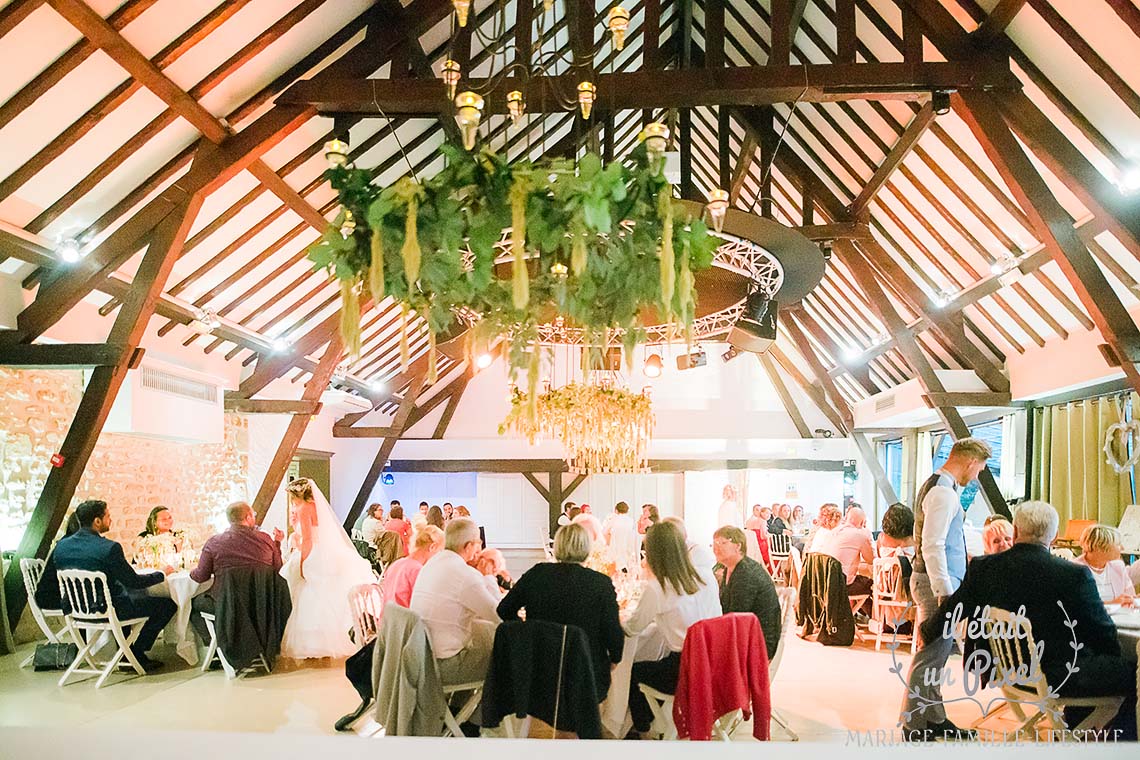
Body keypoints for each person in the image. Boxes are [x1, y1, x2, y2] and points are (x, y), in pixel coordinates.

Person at [920, 501, 1137, 740]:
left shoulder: (984, 568)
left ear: (1015, 532)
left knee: (1097, 665)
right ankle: (1119, 744)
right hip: (1061, 675)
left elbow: (954, 608)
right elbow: (1102, 632)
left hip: (1008, 671)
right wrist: (1114, 658)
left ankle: (1075, 730)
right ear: (1053, 537)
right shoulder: (1073, 575)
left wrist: (927, 630)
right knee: (1134, 673)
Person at [900, 437, 992, 741]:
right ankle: (913, 725)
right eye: (979, 469)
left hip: (938, 580)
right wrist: (945, 591)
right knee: (931, 655)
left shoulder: (940, 486)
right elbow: (933, 544)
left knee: (936, 658)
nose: (977, 475)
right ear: (970, 462)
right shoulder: (943, 493)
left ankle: (934, 718)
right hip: (937, 584)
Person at [498, 523, 624, 694]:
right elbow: (613, 631)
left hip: (540, 670)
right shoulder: (600, 583)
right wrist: (615, 658)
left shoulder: (537, 573)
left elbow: (504, 610)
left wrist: (527, 630)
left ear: (557, 546)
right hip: (586, 674)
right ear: (587, 548)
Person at [51, 499, 176, 671]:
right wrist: (161, 573)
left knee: (128, 597)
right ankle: (136, 652)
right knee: (166, 604)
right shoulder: (108, 548)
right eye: (108, 516)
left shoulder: (61, 547)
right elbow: (133, 582)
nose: (110, 520)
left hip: (76, 609)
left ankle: (126, 651)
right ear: (97, 521)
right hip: (107, 609)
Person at [624, 521, 721, 740]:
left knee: (634, 672)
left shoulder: (657, 587)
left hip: (687, 670)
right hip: (718, 663)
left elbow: (632, 628)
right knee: (658, 660)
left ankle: (643, 731)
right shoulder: (706, 576)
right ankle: (657, 719)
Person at [279, 478, 376, 659]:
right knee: (329, 593)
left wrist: (302, 562)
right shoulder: (316, 507)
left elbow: (307, 539)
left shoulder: (303, 509)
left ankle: (315, 641)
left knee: (311, 593)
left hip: (313, 551)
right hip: (329, 552)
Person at [410, 518, 501, 691]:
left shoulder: (433, 563)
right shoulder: (464, 574)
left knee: (483, 638)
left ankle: (459, 712)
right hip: (443, 666)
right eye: (477, 543)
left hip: (422, 659)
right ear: (468, 546)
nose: (479, 548)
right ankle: (481, 717)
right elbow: (499, 615)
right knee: (506, 657)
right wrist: (488, 575)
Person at [189, 501, 284, 645]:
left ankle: (216, 648)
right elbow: (278, 568)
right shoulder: (265, 539)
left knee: (193, 604)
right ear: (248, 517)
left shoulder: (214, 543)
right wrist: (277, 543)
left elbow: (201, 576)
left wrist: (191, 572)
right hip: (261, 604)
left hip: (228, 604)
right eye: (254, 515)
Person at [712, 526, 781, 659]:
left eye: (722, 543)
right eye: (714, 543)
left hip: (758, 642)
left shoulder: (746, 573)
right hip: (745, 633)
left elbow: (737, 614)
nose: (716, 548)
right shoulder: (731, 568)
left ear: (738, 546)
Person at [811, 504, 874, 614]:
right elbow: (871, 560)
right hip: (839, 584)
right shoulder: (860, 534)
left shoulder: (834, 532)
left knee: (861, 581)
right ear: (863, 522)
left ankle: (851, 616)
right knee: (871, 585)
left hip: (822, 581)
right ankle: (879, 621)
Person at [382, 525, 444, 608]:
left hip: (388, 618)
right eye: (440, 551)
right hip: (405, 618)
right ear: (432, 547)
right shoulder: (417, 571)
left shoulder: (396, 564)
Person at [1074, 524, 1135, 605]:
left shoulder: (1118, 567)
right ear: (1100, 547)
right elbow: (1075, 605)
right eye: (1118, 544)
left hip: (1121, 616)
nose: (1122, 548)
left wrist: (1134, 599)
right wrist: (1112, 603)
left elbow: (1130, 596)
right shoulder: (1075, 569)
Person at [604, 501, 640, 572]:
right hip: (628, 548)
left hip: (615, 547)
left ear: (616, 510)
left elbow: (605, 532)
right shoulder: (631, 521)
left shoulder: (613, 519)